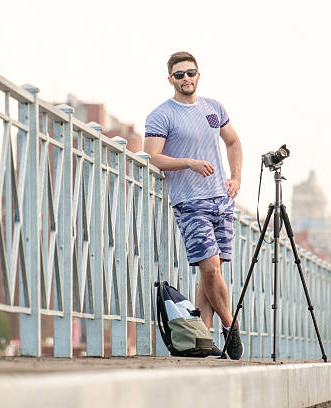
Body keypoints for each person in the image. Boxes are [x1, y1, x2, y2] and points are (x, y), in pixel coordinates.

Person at [143, 51, 244, 360]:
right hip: (190, 202)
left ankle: (202, 342)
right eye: (179, 75)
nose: (186, 78)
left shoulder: (214, 108)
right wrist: (187, 162)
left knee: (210, 274)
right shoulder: (161, 115)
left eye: (190, 73)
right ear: (170, 80)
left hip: (221, 200)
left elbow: (233, 142)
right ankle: (230, 327)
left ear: (198, 75)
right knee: (211, 270)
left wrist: (236, 178)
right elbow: (153, 157)